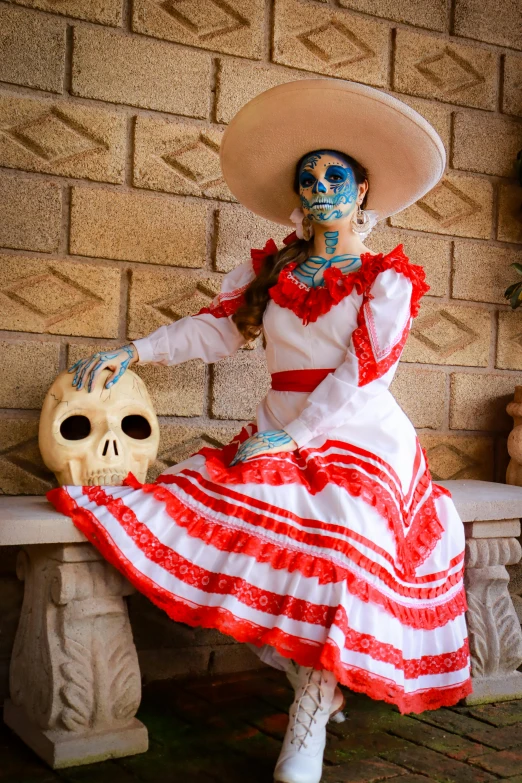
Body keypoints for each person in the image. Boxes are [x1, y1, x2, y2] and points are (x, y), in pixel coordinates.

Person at [47, 79, 471, 783]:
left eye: (335, 174)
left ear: (363, 188)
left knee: (337, 549)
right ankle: (315, 678)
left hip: (360, 437)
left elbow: (361, 376)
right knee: (203, 520)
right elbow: (215, 332)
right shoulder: (270, 270)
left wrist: (296, 438)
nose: (320, 186)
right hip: (278, 426)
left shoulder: (384, 280)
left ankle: (311, 708)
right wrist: (135, 350)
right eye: (309, 178)